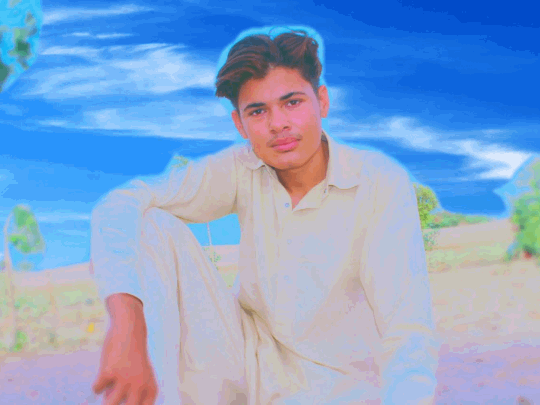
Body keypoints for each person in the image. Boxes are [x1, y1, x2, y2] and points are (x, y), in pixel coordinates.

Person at [90, 26, 440, 405]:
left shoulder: (379, 182)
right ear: (240, 124)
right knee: (151, 224)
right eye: (258, 111)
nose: (278, 124)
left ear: (322, 102)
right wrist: (128, 326)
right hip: (242, 367)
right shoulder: (242, 167)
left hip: (336, 390)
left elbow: (407, 329)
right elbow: (120, 202)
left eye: (292, 103)